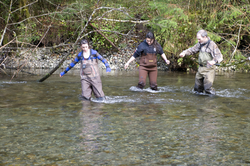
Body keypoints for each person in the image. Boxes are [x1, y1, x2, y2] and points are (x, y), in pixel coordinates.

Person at [179, 29, 223, 95]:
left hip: (209, 69)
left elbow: (219, 56)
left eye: (199, 39)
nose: (198, 41)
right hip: (200, 68)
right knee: (197, 89)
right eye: (198, 39)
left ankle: (211, 102)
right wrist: (184, 52)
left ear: (205, 37)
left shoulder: (212, 44)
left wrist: (213, 61)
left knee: (208, 89)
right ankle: (199, 103)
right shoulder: (200, 44)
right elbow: (192, 50)